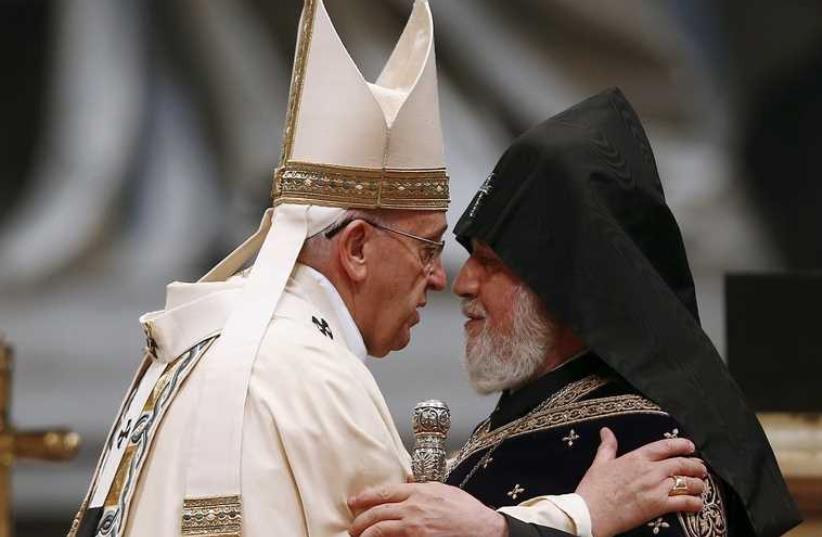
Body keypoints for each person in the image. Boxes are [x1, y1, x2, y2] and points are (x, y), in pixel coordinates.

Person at [67, 1, 704, 534]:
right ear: (356, 250)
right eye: (428, 247)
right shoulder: (317, 383)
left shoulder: (194, 344)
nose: (442, 278)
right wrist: (583, 514)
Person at [349, 89, 801, 537]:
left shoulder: (652, 449)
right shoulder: (500, 430)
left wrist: (504, 532)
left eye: (491, 263)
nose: (462, 282)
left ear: (563, 288)